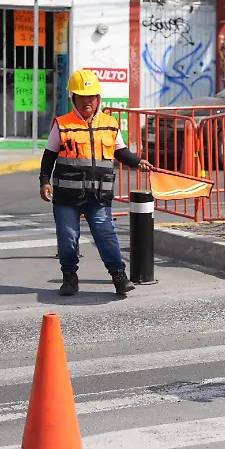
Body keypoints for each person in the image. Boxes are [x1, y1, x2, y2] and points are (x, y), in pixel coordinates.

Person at [39, 70, 153, 297]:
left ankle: (119, 277)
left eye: (91, 96)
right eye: (82, 96)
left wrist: (138, 161)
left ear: (98, 98)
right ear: (73, 98)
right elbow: (49, 155)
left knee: (106, 236)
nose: (87, 101)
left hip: (99, 195)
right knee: (68, 239)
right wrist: (45, 181)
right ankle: (69, 277)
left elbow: (120, 152)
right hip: (67, 196)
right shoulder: (62, 124)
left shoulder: (110, 124)